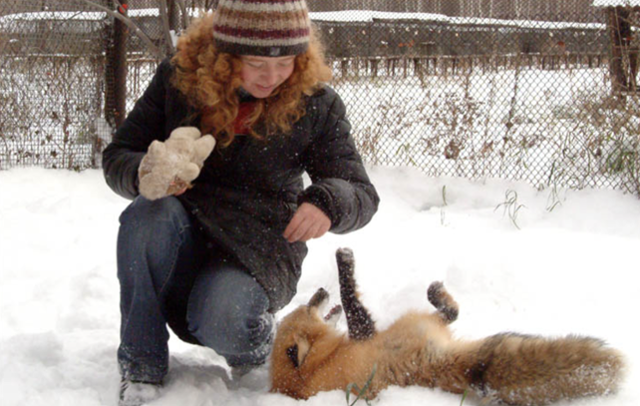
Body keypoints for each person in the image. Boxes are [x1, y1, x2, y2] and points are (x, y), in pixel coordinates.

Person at [102, 1, 379, 405]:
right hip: (182, 228)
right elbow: (118, 155)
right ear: (224, 56)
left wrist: (327, 201)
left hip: (260, 244)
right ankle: (141, 367)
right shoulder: (178, 82)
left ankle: (257, 339)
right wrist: (146, 171)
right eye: (256, 62)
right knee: (147, 214)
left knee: (225, 317)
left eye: (286, 61)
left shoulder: (316, 103)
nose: (273, 76)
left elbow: (360, 190)